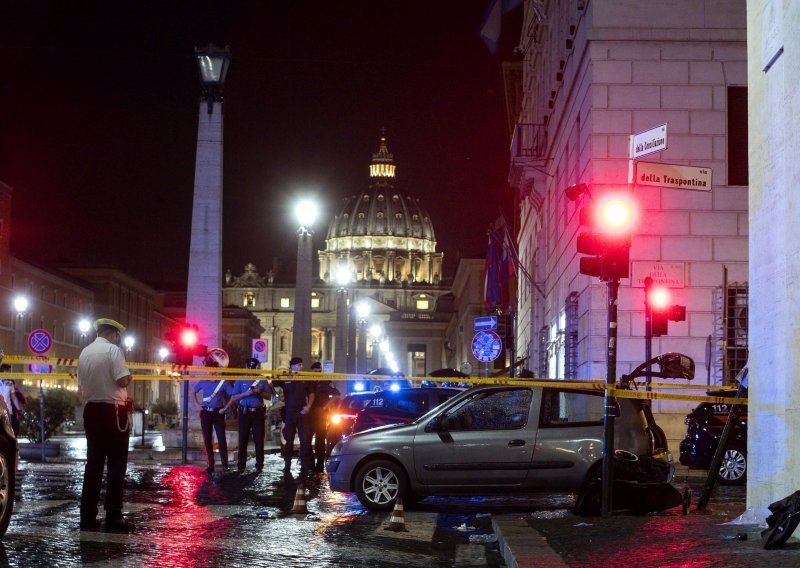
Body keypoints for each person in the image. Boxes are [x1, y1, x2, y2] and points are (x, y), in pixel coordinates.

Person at [77, 318, 134, 532]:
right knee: (116, 466)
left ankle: (88, 516)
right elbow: (122, 380)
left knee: (93, 464)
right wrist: (130, 375)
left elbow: (81, 384)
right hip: (113, 411)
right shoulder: (114, 351)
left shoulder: (84, 352)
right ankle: (113, 516)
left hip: (91, 410)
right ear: (114, 334)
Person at [221, 358, 270, 473]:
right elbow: (234, 397)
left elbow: (269, 396)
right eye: (249, 368)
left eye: (254, 368)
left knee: (259, 440)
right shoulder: (240, 379)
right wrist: (246, 393)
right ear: (245, 367)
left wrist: (260, 392)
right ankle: (241, 465)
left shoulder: (262, 380)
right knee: (242, 440)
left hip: (258, 412)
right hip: (244, 412)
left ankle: (259, 466)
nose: (251, 370)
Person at [273, 356, 315, 477]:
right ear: (292, 366)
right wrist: (277, 396)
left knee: (305, 440)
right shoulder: (285, 376)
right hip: (289, 412)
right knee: (289, 441)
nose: (302, 367)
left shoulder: (305, 378)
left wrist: (308, 407)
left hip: (302, 413)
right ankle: (287, 466)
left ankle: (304, 466)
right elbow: (271, 383)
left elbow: (311, 394)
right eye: (299, 365)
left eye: (302, 365)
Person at [193, 357, 232, 473]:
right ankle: (211, 465)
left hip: (218, 413)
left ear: (217, 369)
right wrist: (196, 405)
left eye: (213, 369)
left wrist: (226, 408)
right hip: (205, 413)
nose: (211, 371)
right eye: (209, 369)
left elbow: (233, 395)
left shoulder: (223, 382)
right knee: (207, 439)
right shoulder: (203, 381)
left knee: (221, 438)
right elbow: (193, 392)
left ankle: (225, 465)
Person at [309, 362, 340, 472]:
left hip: (321, 414)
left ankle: (319, 465)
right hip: (309, 414)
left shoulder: (326, 381)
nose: (317, 373)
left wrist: (326, 406)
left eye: (319, 371)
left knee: (320, 440)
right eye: (315, 371)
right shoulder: (307, 381)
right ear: (311, 371)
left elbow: (337, 395)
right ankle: (309, 464)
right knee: (306, 440)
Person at [0, 365, 25, 436]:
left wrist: (18, 409)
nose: (9, 373)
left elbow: (13, 397)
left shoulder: (10, 383)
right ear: (3, 372)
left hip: (8, 411)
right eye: (8, 371)